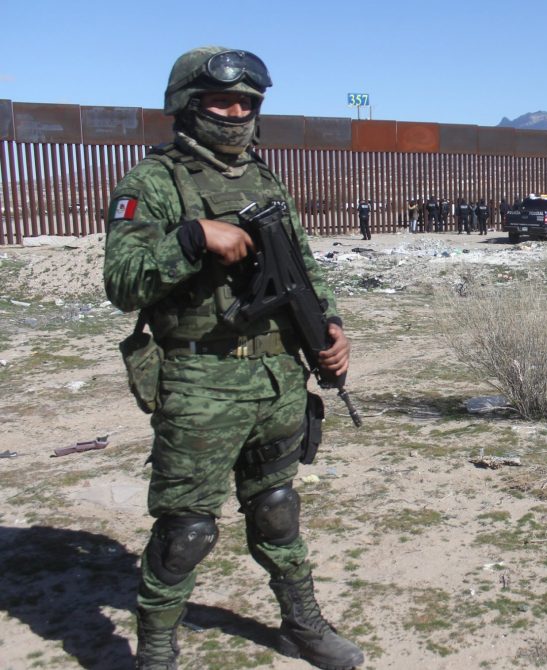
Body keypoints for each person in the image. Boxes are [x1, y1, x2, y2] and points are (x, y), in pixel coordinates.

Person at [102, 46, 364, 670]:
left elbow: (300, 272)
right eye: (222, 101)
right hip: (200, 380)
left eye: (248, 102)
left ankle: (301, 625)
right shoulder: (154, 181)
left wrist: (330, 327)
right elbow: (123, 283)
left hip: (276, 377)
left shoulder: (265, 177)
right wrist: (192, 239)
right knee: (186, 530)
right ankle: (157, 651)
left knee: (277, 509)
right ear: (188, 106)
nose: (237, 112)